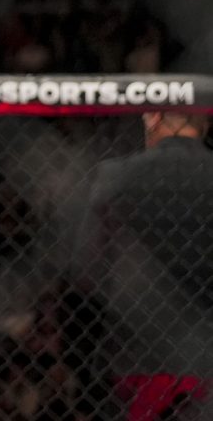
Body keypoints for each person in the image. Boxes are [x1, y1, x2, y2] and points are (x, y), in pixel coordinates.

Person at [76, 109, 213, 421]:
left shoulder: (115, 176)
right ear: (205, 121)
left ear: (153, 117)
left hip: (137, 354)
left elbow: (87, 271)